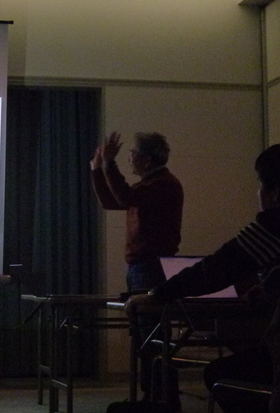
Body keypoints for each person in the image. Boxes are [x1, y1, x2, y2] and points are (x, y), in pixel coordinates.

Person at [125, 142, 280, 413]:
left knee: (220, 374)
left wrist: (156, 294)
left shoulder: (279, 224)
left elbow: (216, 270)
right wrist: (269, 290)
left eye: (260, 184)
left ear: (275, 192)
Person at [91, 131, 184, 409]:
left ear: (146, 159)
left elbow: (124, 197)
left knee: (152, 339)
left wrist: (109, 164)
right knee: (146, 339)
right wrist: (97, 169)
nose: (129, 157)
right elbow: (111, 201)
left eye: (132, 153)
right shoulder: (149, 184)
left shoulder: (162, 184)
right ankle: (154, 398)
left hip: (151, 268)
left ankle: (163, 401)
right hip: (142, 268)